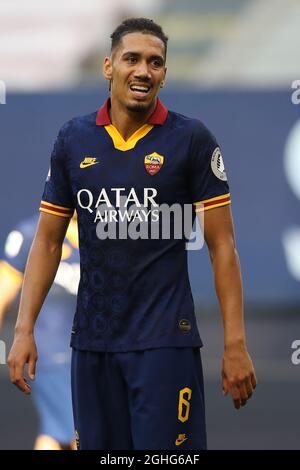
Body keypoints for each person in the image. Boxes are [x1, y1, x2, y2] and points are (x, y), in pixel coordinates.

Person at [8, 17, 257, 450]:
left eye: (156, 62)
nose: (144, 70)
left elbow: (223, 247)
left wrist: (235, 343)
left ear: (164, 74)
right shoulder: (74, 139)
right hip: (92, 346)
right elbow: (47, 242)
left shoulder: (192, 140)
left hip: (165, 346)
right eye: (133, 59)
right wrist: (23, 329)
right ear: (109, 67)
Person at [1, 214, 79, 450]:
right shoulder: (34, 233)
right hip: (51, 354)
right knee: (82, 433)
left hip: (91, 352)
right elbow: (3, 292)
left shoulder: (105, 232)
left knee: (54, 434)